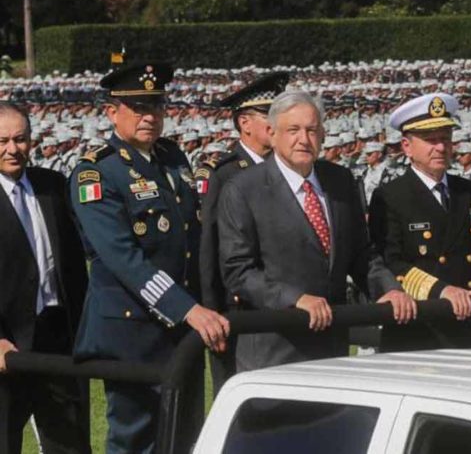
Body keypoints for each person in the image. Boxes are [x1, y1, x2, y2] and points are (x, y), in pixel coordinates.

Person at [69, 63, 230, 454]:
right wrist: (186, 308)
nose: (149, 117)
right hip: (133, 331)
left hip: (181, 329)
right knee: (136, 439)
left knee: (183, 435)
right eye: (138, 108)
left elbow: (190, 240)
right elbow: (124, 259)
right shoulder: (97, 171)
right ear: (112, 112)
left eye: (156, 107)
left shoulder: (172, 159)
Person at [218, 90, 414, 371]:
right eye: (293, 130)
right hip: (275, 350)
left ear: (322, 134)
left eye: (311, 130)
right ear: (272, 133)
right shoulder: (243, 189)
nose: (303, 139)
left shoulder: (340, 180)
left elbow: (361, 254)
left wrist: (388, 289)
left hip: (332, 348)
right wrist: (294, 299)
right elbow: (239, 272)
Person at [368, 93, 471, 352]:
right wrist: (443, 290)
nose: (440, 147)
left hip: (466, 325)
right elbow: (390, 262)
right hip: (417, 329)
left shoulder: (469, 191)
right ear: (406, 146)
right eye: (430, 140)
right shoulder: (390, 196)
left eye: (446, 139)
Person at [0, 102, 90, 454]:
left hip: (58, 338)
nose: (12, 149)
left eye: (20, 139)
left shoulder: (52, 185)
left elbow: (75, 266)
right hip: (7, 345)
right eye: (3, 140)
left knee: (68, 443)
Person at [199, 71, 288, 394]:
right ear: (244, 123)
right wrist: (213, 311)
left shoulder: (286, 169)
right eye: (268, 114)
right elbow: (209, 247)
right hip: (240, 308)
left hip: (284, 302)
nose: (276, 121)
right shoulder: (224, 175)